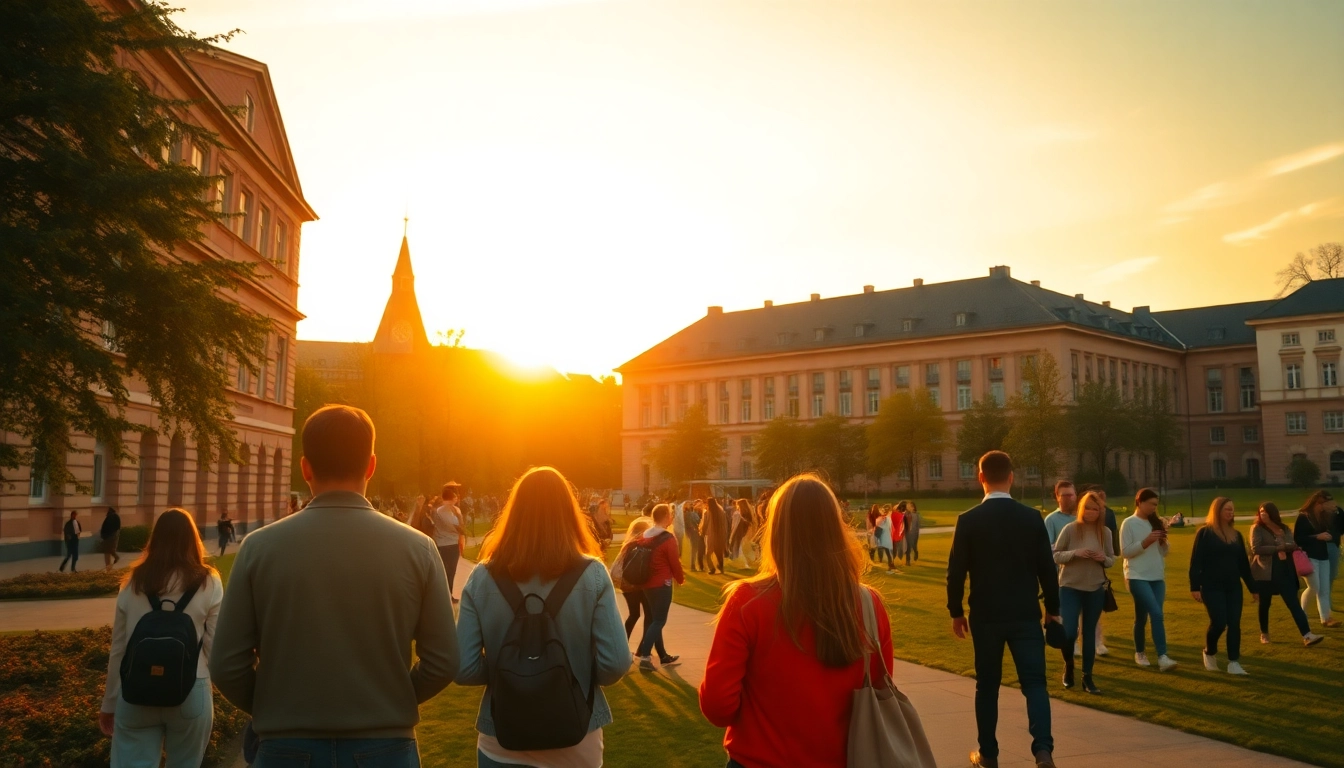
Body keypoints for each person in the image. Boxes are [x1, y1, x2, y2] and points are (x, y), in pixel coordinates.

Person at [210, 405, 458, 766]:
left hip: (286, 744)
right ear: (371, 465)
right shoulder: (417, 548)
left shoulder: (259, 548)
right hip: (385, 744)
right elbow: (443, 661)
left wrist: (278, 706)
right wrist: (391, 700)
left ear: (305, 467)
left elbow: (227, 665)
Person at [699, 473, 894, 768]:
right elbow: (882, 689)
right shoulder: (868, 603)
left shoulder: (748, 602)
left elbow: (717, 706)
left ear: (776, 531)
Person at [455, 466, 630, 768]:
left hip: (503, 737)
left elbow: (464, 668)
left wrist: (511, 669)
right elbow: (614, 663)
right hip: (576, 735)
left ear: (514, 512)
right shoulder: (593, 575)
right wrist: (574, 670)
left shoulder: (482, 577)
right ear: (568, 512)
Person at [947, 451, 1060, 768]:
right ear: (1011, 476)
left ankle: (988, 754)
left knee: (987, 687)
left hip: (986, 615)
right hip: (1025, 612)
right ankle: (1042, 749)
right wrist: (1052, 608)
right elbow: (1047, 570)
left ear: (980, 477)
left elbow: (956, 572)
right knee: (1035, 684)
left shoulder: (968, 521)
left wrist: (956, 611)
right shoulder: (1031, 518)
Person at [99, 508, 224, 767]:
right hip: (190, 688)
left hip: (136, 690)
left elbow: (119, 650)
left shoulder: (132, 581)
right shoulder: (208, 582)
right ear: (193, 540)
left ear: (155, 539)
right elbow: (215, 647)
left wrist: (109, 702)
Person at [1052, 491, 1115, 695]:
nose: (1091, 512)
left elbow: (1111, 559)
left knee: (1089, 634)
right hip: (1069, 587)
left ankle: (1087, 677)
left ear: (1100, 511)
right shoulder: (1070, 529)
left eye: (1095, 509)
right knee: (1069, 632)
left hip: (1095, 588)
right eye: (1087, 507)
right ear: (1081, 508)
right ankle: (1069, 666)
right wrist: (1075, 553)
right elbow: (1055, 555)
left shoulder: (1105, 532)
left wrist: (1101, 558)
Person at [1189, 496, 1257, 675]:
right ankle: (1209, 652)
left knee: (1234, 623)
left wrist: (1253, 588)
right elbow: (1196, 562)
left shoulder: (1237, 535)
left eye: (1232, 509)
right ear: (1217, 511)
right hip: (1212, 586)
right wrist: (1195, 587)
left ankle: (1234, 663)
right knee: (1219, 623)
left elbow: (1243, 564)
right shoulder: (1205, 533)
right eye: (1227, 509)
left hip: (1233, 586)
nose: (1231, 512)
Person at [1251, 502, 1324, 646]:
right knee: (1265, 604)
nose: (1262, 513)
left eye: (1265, 511)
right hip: (1266, 571)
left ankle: (1307, 635)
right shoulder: (1257, 528)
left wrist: (1285, 546)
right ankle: (1264, 633)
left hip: (1285, 569)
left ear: (1272, 513)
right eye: (1260, 511)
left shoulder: (1283, 528)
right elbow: (1256, 548)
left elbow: (1293, 544)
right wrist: (1279, 547)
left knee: (1293, 603)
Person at [1120, 488, 1177, 670]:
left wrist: (1163, 541)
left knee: (1142, 616)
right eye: (1151, 504)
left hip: (1156, 576)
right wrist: (1146, 542)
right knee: (1156, 614)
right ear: (1140, 502)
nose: (1154, 508)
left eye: (1156, 505)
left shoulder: (1156, 523)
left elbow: (1164, 553)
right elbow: (1125, 552)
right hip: (1137, 576)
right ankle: (1162, 656)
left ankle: (1141, 652)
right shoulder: (1129, 523)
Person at [631, 503, 686, 671]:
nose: (671, 517)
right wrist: (680, 579)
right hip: (662, 584)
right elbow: (674, 562)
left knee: (655, 620)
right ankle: (645, 657)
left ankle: (663, 656)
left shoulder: (646, 535)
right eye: (670, 514)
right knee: (659, 621)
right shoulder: (667, 538)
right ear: (666, 517)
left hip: (647, 584)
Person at [1295, 490, 1339, 628]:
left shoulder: (1324, 517)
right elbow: (1298, 539)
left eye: (1324, 503)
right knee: (1314, 587)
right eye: (1320, 503)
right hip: (1309, 557)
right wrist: (1317, 537)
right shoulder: (1304, 517)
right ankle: (1302, 615)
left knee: (1324, 589)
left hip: (1323, 556)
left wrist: (1328, 535)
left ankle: (1326, 618)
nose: (1322, 506)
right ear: (1313, 503)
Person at [613, 516, 654, 638]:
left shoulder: (628, 545)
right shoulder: (643, 546)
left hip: (627, 585)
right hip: (640, 585)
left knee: (634, 614)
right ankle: (643, 648)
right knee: (649, 614)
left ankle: (623, 644)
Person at [433, 482, 467, 602]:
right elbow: (456, 525)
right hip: (446, 544)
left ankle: (448, 594)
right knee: (447, 571)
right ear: (452, 497)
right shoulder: (443, 510)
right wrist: (459, 517)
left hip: (452, 542)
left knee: (451, 571)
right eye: (455, 496)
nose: (457, 498)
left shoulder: (453, 509)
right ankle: (445, 595)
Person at [1043, 481, 1077, 547]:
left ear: (1075, 495)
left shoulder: (1084, 516)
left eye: (1070, 495)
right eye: (1064, 496)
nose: (1068, 498)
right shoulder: (1051, 519)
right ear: (1057, 497)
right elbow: (1047, 546)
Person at [701, 497, 728, 575]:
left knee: (708, 554)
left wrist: (702, 532)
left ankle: (712, 568)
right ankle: (721, 568)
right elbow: (725, 524)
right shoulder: (721, 512)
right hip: (720, 535)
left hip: (711, 535)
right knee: (719, 552)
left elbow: (705, 524)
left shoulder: (707, 513)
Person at [899, 500, 921, 565]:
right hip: (907, 533)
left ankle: (916, 552)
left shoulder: (916, 515)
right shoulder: (905, 514)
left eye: (913, 506)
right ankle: (907, 561)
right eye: (910, 506)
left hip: (914, 533)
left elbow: (918, 525)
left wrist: (917, 533)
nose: (912, 507)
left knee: (914, 546)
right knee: (908, 547)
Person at [686, 500, 706, 572]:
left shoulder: (693, 514)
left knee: (698, 550)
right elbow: (697, 523)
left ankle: (697, 566)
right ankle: (693, 566)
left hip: (696, 534)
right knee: (694, 550)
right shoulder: (691, 514)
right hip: (695, 534)